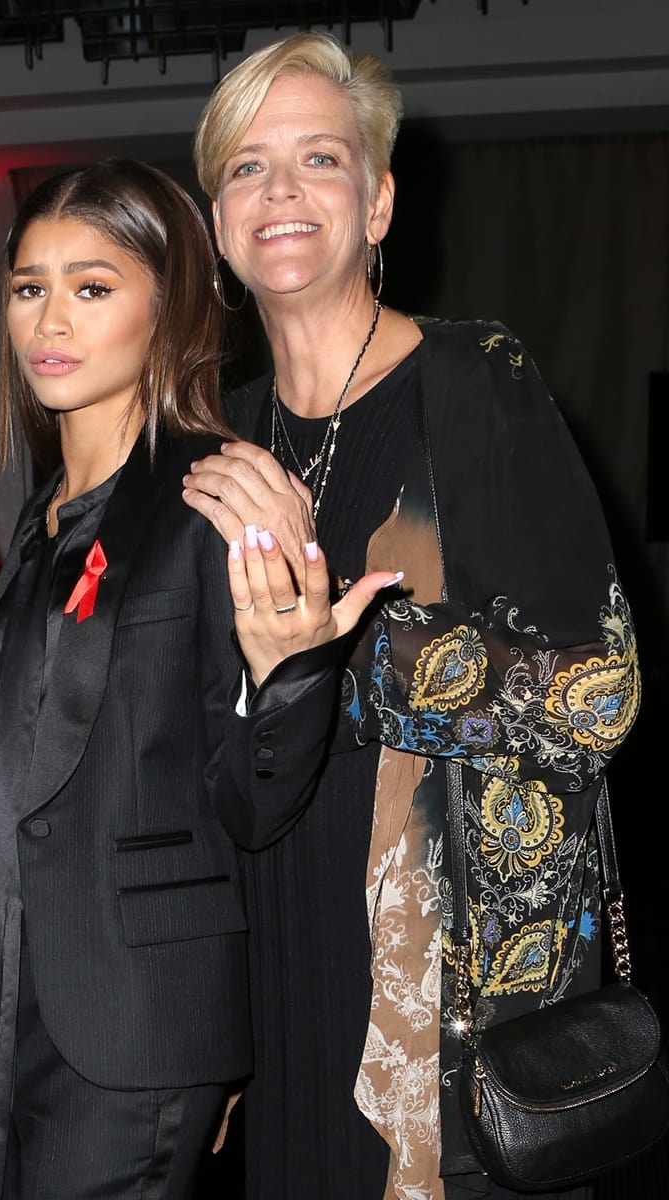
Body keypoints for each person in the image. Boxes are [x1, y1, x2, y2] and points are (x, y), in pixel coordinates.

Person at [184, 32, 642, 1200]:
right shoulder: (219, 446)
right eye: (246, 166)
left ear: (379, 202)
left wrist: (343, 644)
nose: (280, 191)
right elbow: (218, 776)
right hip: (286, 964)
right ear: (218, 220)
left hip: (455, 986)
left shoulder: (474, 379)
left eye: (320, 159)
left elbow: (601, 692)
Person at [0, 157, 400, 1200]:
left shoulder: (219, 492)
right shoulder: (39, 519)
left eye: (92, 287)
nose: (49, 320)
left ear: (171, 308)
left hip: (135, 1020)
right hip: (9, 999)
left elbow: (250, 804)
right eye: (30, 287)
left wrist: (291, 675)